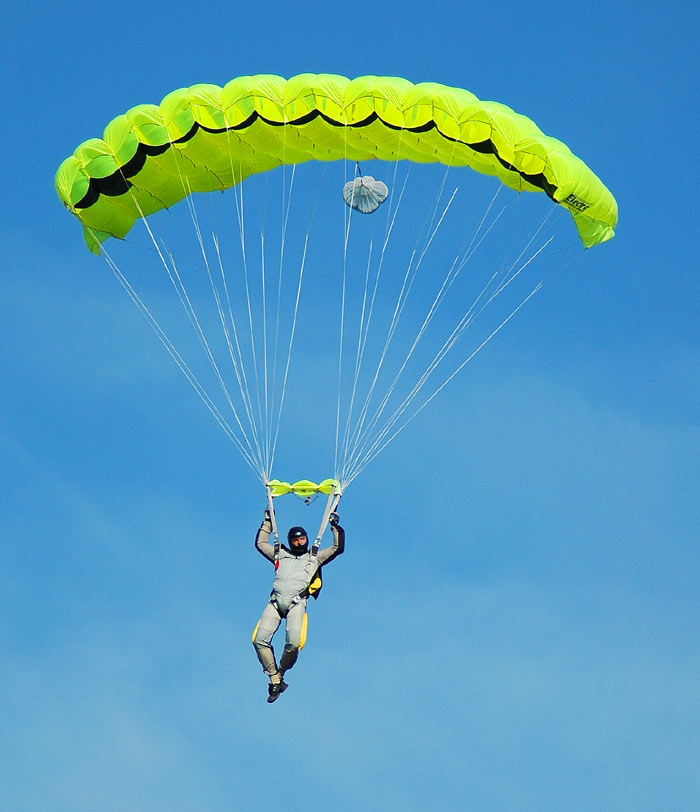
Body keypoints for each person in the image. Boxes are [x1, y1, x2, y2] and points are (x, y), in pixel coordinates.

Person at [252, 508, 345, 702]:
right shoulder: (279, 554)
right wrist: (268, 522)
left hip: (296, 603)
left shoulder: (315, 557)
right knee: (259, 640)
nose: (300, 542)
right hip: (275, 602)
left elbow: (338, 547)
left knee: (293, 643)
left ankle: (281, 672)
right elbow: (260, 544)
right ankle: (274, 678)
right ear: (290, 541)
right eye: (296, 540)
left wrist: (334, 525)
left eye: (302, 539)